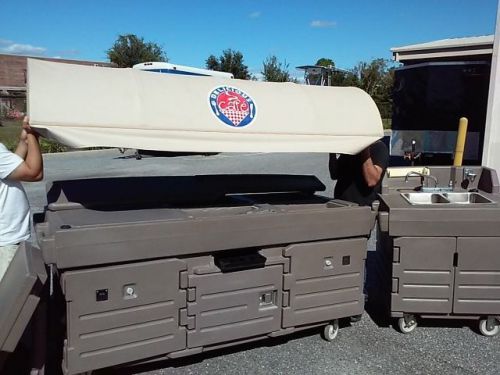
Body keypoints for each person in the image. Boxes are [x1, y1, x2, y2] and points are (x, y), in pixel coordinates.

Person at [0, 116, 43, 281]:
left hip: (7, 239)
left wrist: (24, 141)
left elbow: (9, 171)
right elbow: (34, 172)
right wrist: (32, 135)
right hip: (6, 243)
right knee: (10, 300)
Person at [329, 140, 389, 206]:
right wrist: (332, 152)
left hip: (362, 207)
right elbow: (334, 175)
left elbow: (372, 181)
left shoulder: (379, 148)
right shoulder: (351, 148)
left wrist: (365, 149)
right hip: (340, 204)